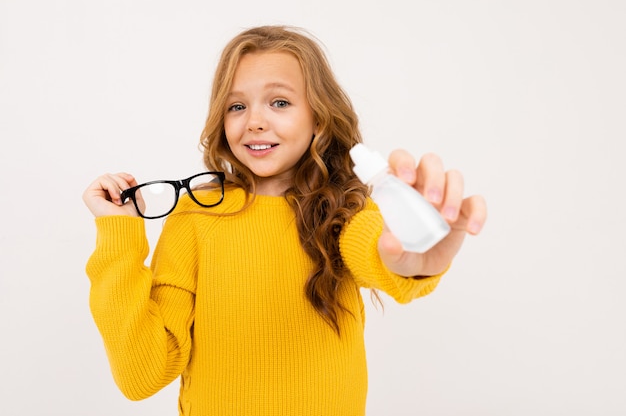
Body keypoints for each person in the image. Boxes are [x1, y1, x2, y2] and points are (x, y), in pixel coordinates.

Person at [83, 25, 487, 416]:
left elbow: (380, 254)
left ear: (319, 118)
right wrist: (119, 235)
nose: (255, 120)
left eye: (279, 102)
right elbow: (144, 375)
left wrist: (412, 262)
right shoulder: (195, 216)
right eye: (237, 106)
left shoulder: (345, 211)